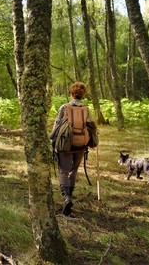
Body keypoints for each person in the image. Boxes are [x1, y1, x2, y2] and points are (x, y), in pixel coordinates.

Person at [51, 82, 97, 216]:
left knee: (63, 170)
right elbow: (92, 126)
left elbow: (57, 126)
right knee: (73, 170)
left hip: (65, 144)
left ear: (71, 93)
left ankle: (67, 198)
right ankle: (70, 194)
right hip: (81, 145)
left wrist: (53, 141)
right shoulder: (86, 109)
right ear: (83, 95)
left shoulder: (64, 107)